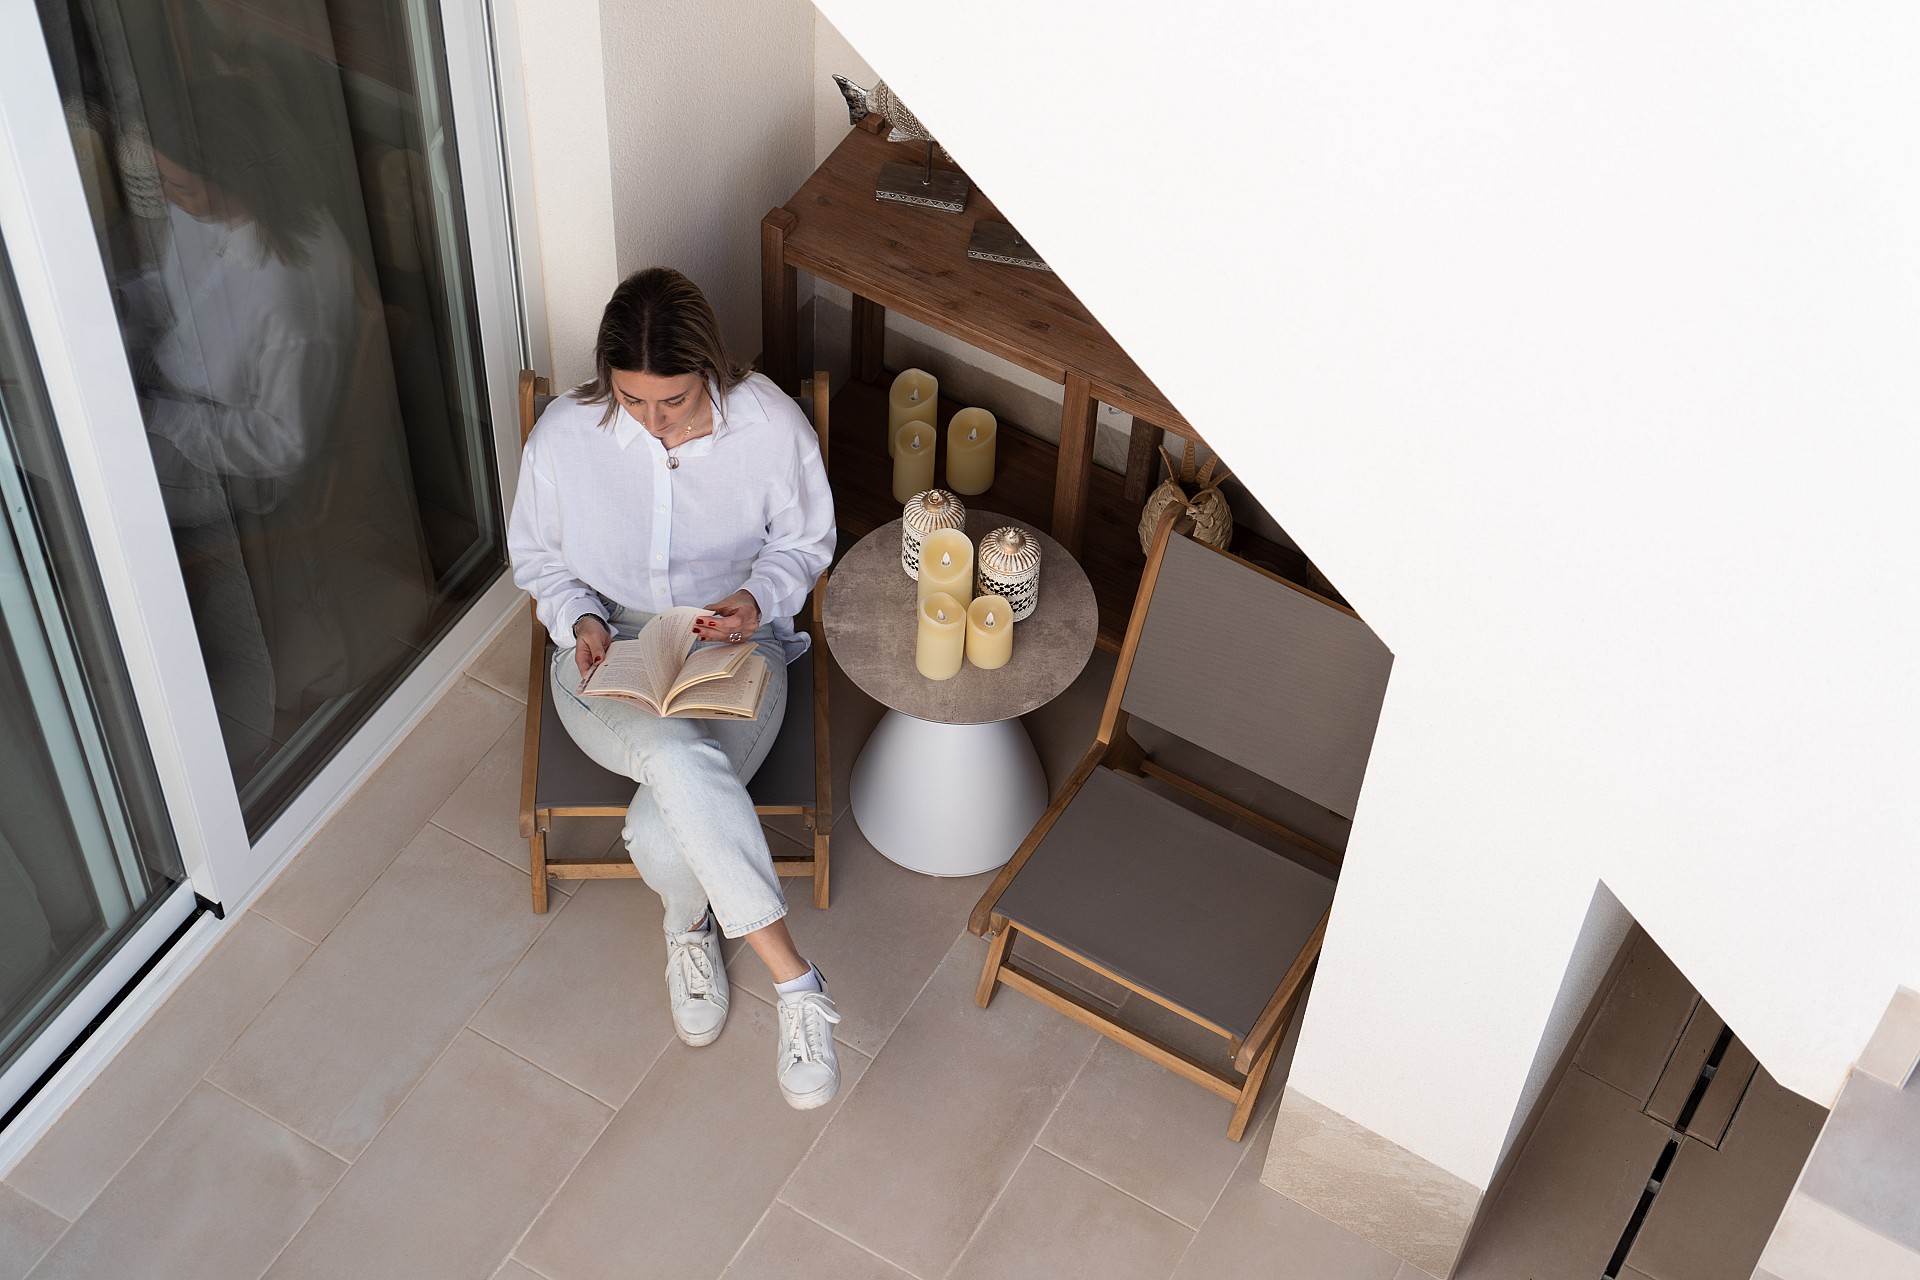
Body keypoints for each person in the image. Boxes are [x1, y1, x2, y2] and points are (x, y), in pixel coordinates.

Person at [508, 267, 842, 1108]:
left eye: (677, 403)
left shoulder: (769, 426)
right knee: (672, 749)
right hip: (604, 652)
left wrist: (756, 599)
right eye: (633, 402)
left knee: (662, 834)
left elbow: (806, 544)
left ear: (713, 374)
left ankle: (688, 924)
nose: (655, 424)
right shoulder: (563, 437)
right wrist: (578, 618)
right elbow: (539, 560)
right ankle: (796, 984)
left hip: (736, 645)